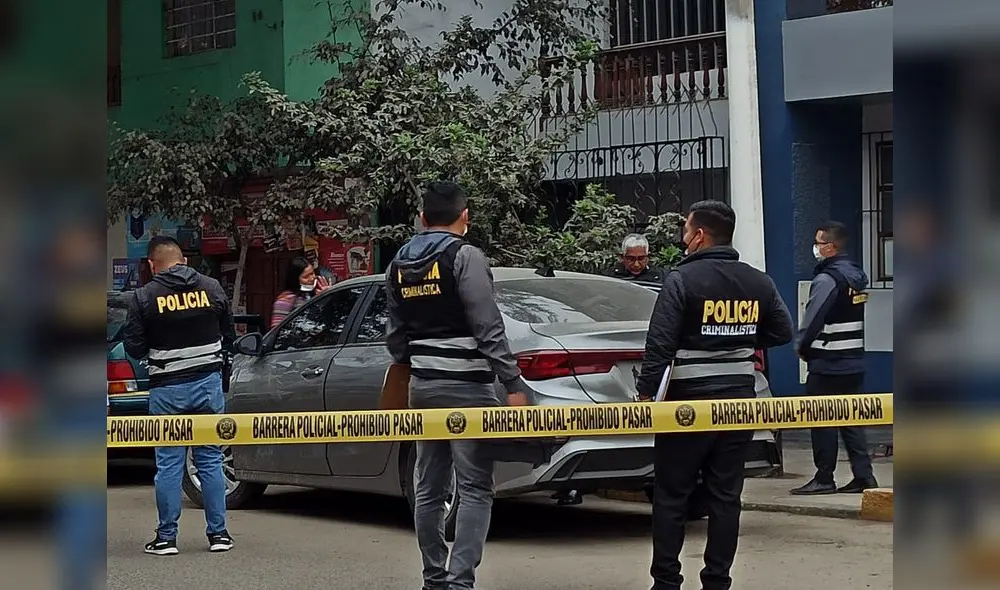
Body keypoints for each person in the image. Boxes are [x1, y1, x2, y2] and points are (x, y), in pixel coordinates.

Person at [635, 200, 794, 590]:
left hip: (688, 403)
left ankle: (667, 582)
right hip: (738, 402)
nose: (683, 238)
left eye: (686, 230)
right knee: (726, 495)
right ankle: (718, 581)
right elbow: (783, 332)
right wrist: (738, 338)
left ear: (700, 235)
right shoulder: (759, 281)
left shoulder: (681, 280)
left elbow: (660, 344)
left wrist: (645, 397)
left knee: (672, 494)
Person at [385, 181, 529, 590]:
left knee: (428, 487)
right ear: (464, 217)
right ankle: (460, 581)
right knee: (474, 487)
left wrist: (413, 363)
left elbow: (396, 337)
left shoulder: (399, 263)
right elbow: (487, 326)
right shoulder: (465, 255)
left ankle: (433, 577)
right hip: (469, 389)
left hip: (424, 389)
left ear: (421, 218)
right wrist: (512, 382)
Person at [123, 235, 237, 556]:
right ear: (184, 261)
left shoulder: (145, 296)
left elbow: (132, 346)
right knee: (210, 459)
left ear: (151, 264)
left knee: (170, 464)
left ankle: (167, 538)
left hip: (167, 391)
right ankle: (219, 535)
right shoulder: (212, 288)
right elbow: (229, 334)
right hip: (208, 385)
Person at [790, 222, 878, 495]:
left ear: (832, 246)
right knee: (852, 421)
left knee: (823, 420)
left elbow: (813, 319)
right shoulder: (856, 277)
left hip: (827, 363)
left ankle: (824, 478)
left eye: (819, 242)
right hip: (853, 361)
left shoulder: (828, 279)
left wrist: (802, 348)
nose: (815, 247)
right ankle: (864, 476)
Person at [269, 256, 331, 329]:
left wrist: (326, 297)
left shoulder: (313, 294)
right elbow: (276, 330)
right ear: (295, 279)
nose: (312, 278)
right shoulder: (285, 300)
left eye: (312, 273)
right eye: (306, 277)